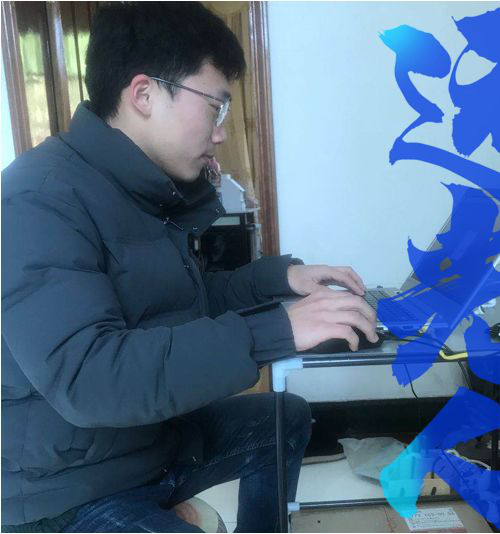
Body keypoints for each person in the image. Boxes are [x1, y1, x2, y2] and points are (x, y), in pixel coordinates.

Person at [1, 3, 378, 532]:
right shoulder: (37, 199)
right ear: (144, 95)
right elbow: (91, 378)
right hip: (68, 486)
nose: (221, 132)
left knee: (283, 418)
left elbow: (186, 301)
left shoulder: (137, 189)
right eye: (215, 107)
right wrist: (275, 330)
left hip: (147, 442)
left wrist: (280, 280)